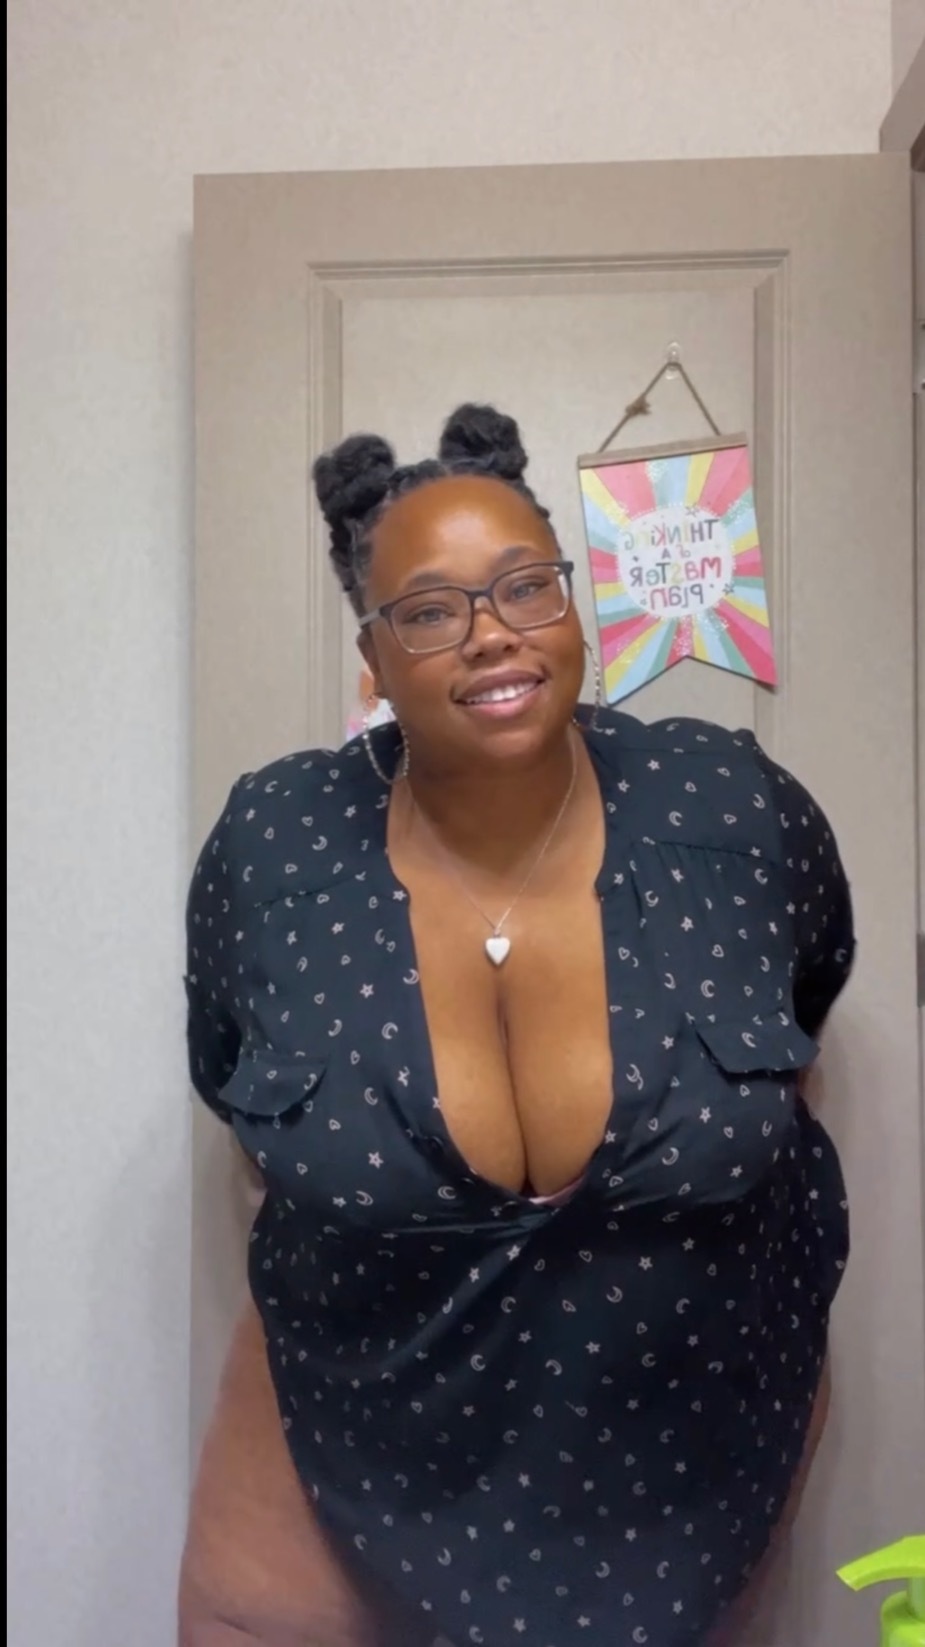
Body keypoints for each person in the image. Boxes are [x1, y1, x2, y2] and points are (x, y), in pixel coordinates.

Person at [179, 405, 854, 1647]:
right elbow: (230, 1079)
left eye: (525, 586)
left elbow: (807, 998)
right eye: (430, 611)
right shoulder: (275, 845)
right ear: (372, 659)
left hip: (687, 1482)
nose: (492, 632)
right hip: (346, 1467)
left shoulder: (727, 809)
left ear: (571, 607)